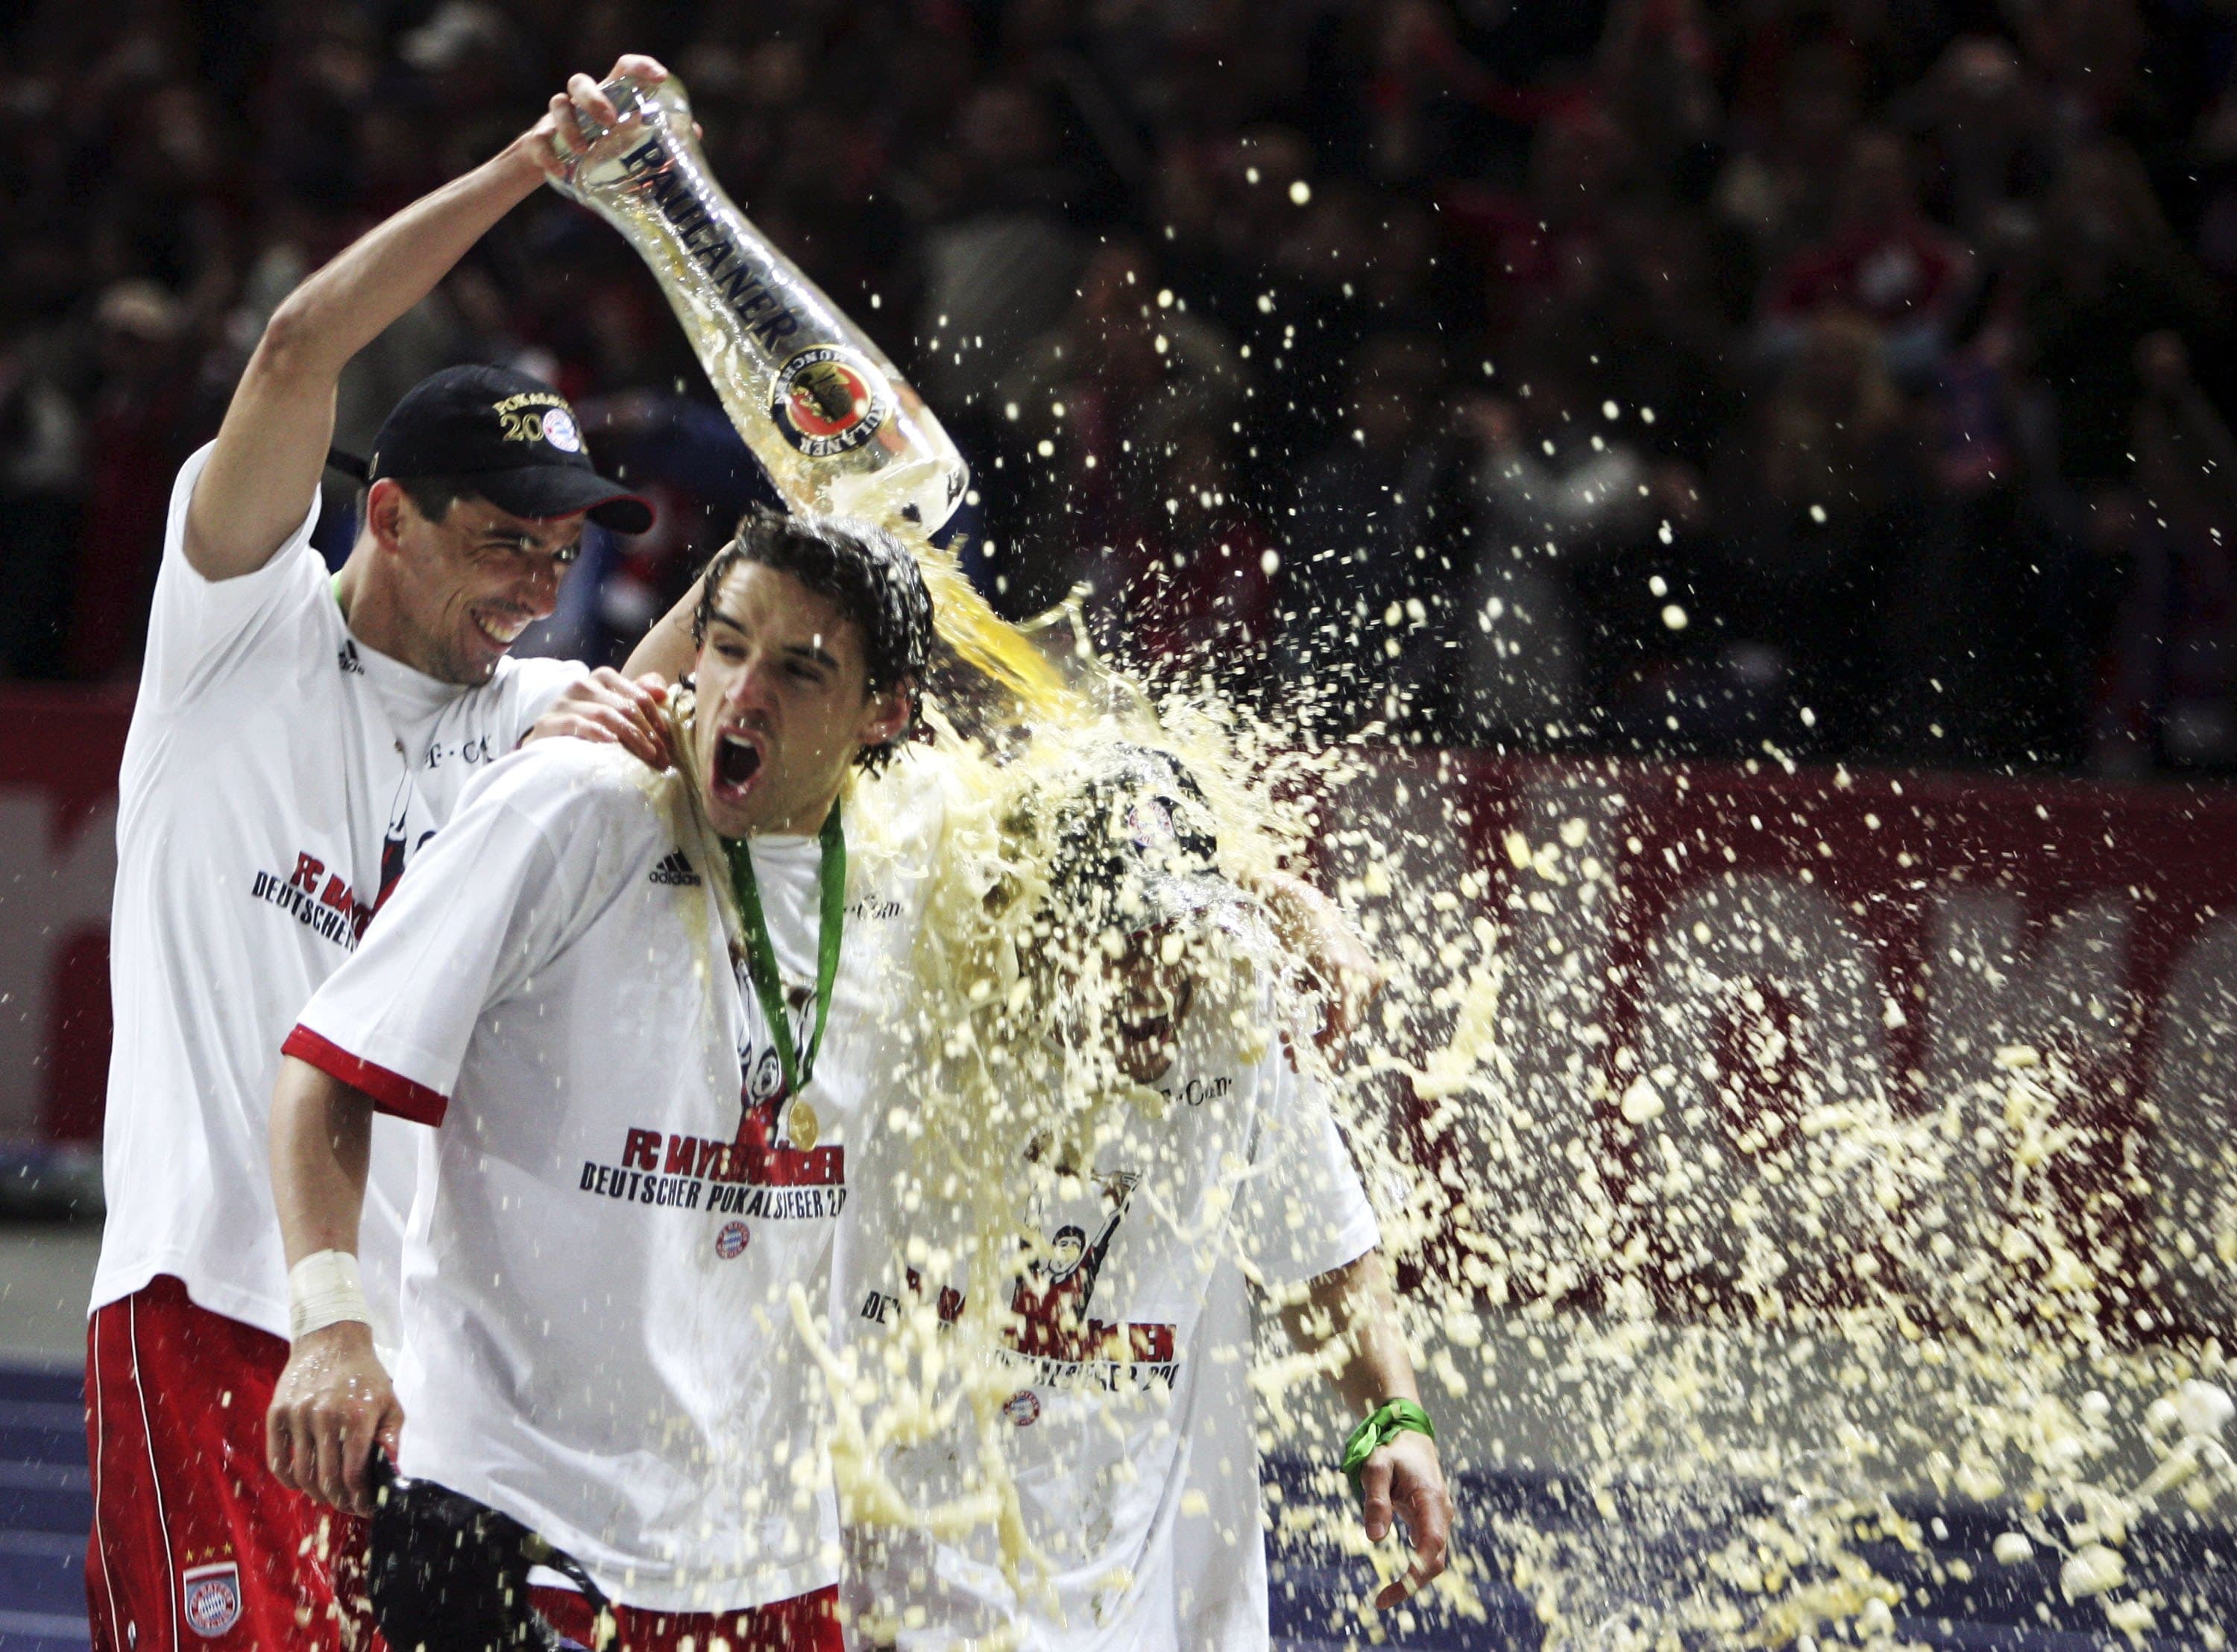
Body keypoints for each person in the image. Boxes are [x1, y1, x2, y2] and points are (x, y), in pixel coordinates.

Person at [83, 60, 676, 1652]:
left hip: (428, 1381)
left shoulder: (542, 719)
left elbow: (711, 669)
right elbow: (297, 345)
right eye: (503, 547)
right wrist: (532, 165)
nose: (534, 594)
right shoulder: (231, 633)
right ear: (392, 515)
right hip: (207, 1310)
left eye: (559, 560)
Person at [265, 511, 940, 1651]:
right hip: (512, 1509)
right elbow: (326, 1071)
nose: (740, 696)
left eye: (798, 670)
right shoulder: (574, 808)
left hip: (767, 1544)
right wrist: (330, 1325)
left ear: (886, 711)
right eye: (724, 648)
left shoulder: (922, 874)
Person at [839, 749, 1455, 1650]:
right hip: (892, 1603)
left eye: (1177, 931)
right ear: (1038, 927)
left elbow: (1325, 1254)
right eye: (1118, 938)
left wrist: (1393, 1412)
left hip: (1133, 1615)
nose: (1154, 973)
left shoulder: (1234, 1029)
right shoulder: (925, 993)